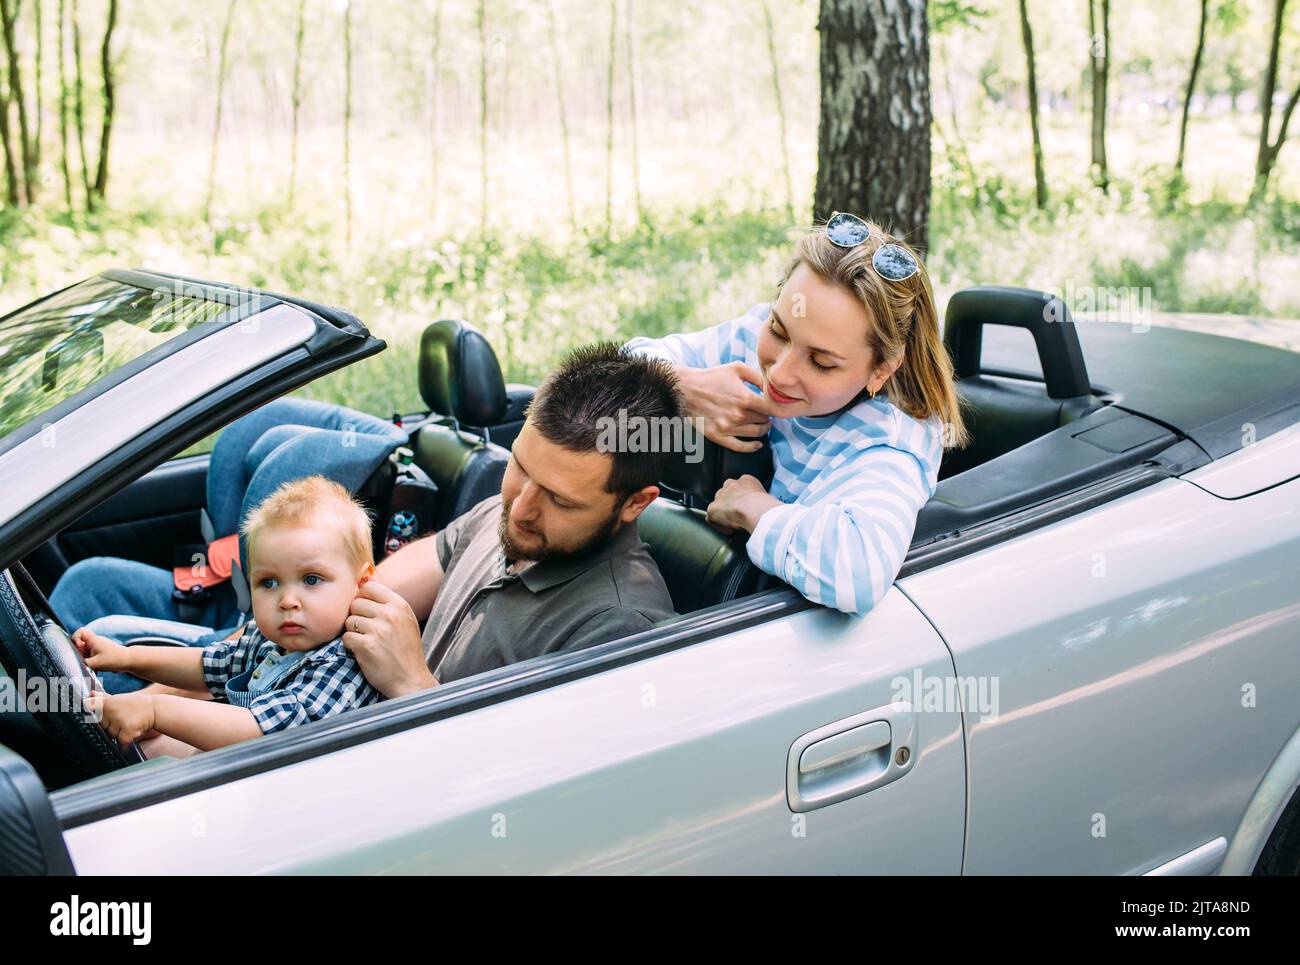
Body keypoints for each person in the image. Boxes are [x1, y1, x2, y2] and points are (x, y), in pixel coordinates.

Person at [624, 213, 969, 616]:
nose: (781, 373)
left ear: (883, 368)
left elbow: (858, 574)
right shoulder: (753, 336)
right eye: (780, 330)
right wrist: (680, 385)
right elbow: (624, 361)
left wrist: (754, 507)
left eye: (822, 362)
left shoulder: (888, 443)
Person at [340, 342, 680, 698]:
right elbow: (361, 596)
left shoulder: (620, 629)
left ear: (635, 503)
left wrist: (411, 685)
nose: (520, 509)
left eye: (560, 500)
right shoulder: (500, 514)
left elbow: (535, 755)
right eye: (519, 465)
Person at [77, 476, 382, 751]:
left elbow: (258, 730)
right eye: (269, 582)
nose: (287, 601)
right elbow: (209, 665)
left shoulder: (344, 667)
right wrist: (128, 659)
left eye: (311, 579)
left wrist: (154, 710)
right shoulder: (271, 641)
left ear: (362, 583)